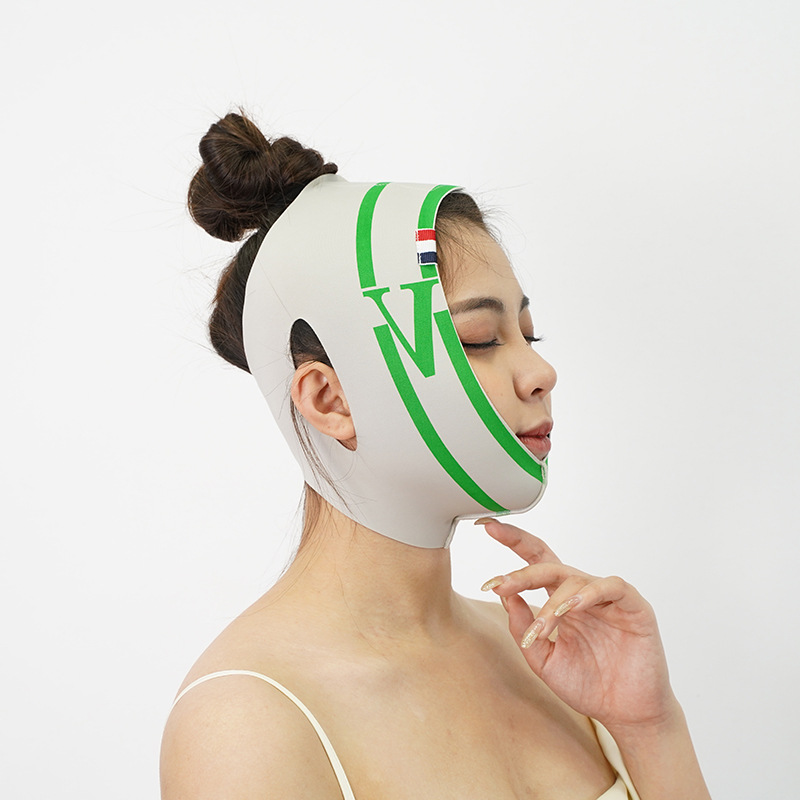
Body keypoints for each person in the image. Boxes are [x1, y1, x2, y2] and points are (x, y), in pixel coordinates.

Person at [160, 112, 711, 800]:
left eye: (530, 334)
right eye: (480, 339)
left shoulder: (546, 653)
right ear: (330, 399)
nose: (541, 372)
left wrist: (650, 728)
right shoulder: (246, 723)